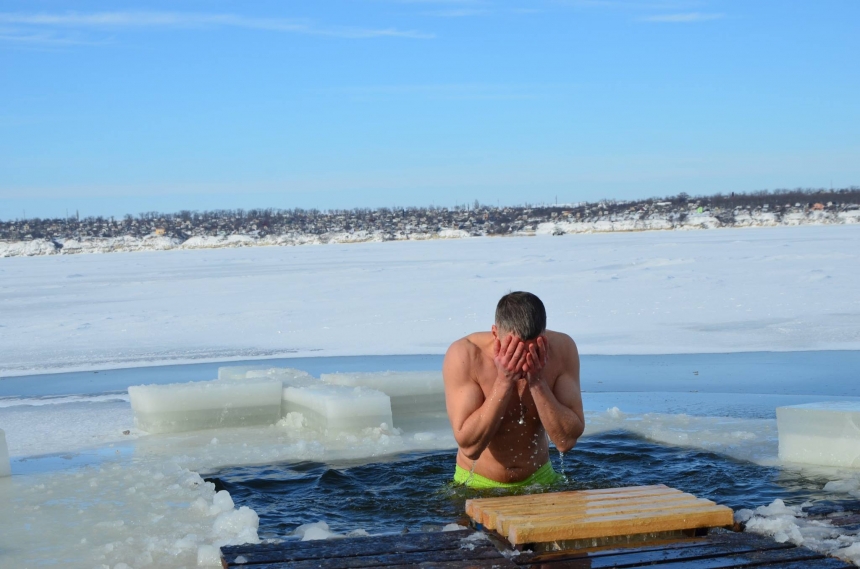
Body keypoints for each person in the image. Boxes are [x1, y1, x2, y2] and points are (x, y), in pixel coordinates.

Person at [443, 291, 585, 489]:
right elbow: (470, 447)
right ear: (495, 334)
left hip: (541, 480)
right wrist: (503, 381)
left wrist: (537, 381)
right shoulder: (466, 355)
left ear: (544, 336)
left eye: (533, 350)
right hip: (476, 484)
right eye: (513, 349)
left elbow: (566, 440)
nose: (522, 359)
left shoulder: (561, 349)